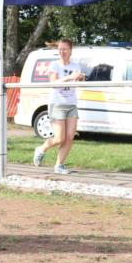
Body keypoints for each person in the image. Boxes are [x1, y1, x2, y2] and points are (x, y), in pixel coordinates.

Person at [33, 38, 87, 175]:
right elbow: (53, 83)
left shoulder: (75, 66)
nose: (62, 52)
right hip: (57, 104)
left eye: (65, 49)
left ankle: (59, 165)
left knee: (69, 137)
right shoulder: (54, 65)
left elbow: (78, 82)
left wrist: (81, 78)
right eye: (60, 49)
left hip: (71, 104)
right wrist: (70, 78)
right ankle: (41, 149)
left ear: (70, 51)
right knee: (59, 138)